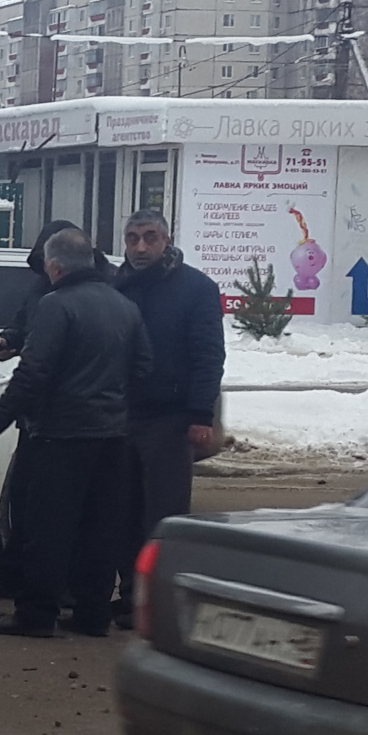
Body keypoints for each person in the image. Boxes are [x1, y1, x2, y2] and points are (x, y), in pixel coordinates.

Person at [0, 227, 150, 638]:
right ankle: (92, 615)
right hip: (113, 438)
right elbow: (143, 370)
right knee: (99, 529)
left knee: (47, 528)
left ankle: (36, 614)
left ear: (54, 266)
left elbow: (32, 374)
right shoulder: (124, 306)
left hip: (61, 437)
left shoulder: (56, 306)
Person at [0, 220, 98, 604]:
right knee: (23, 502)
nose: (46, 270)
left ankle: (54, 596)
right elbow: (24, 327)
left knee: (59, 513)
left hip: (67, 420)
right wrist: (7, 339)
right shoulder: (44, 291)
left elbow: (37, 369)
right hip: (41, 420)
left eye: (49, 262)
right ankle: (15, 575)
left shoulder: (82, 298)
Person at [113, 208, 225, 594]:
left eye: (150, 237)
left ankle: (158, 597)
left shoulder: (195, 288)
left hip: (170, 419)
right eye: (132, 239)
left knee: (162, 515)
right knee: (122, 514)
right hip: (120, 416)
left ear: (167, 240)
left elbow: (209, 355)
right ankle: (129, 593)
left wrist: (200, 413)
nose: (140, 247)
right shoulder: (117, 285)